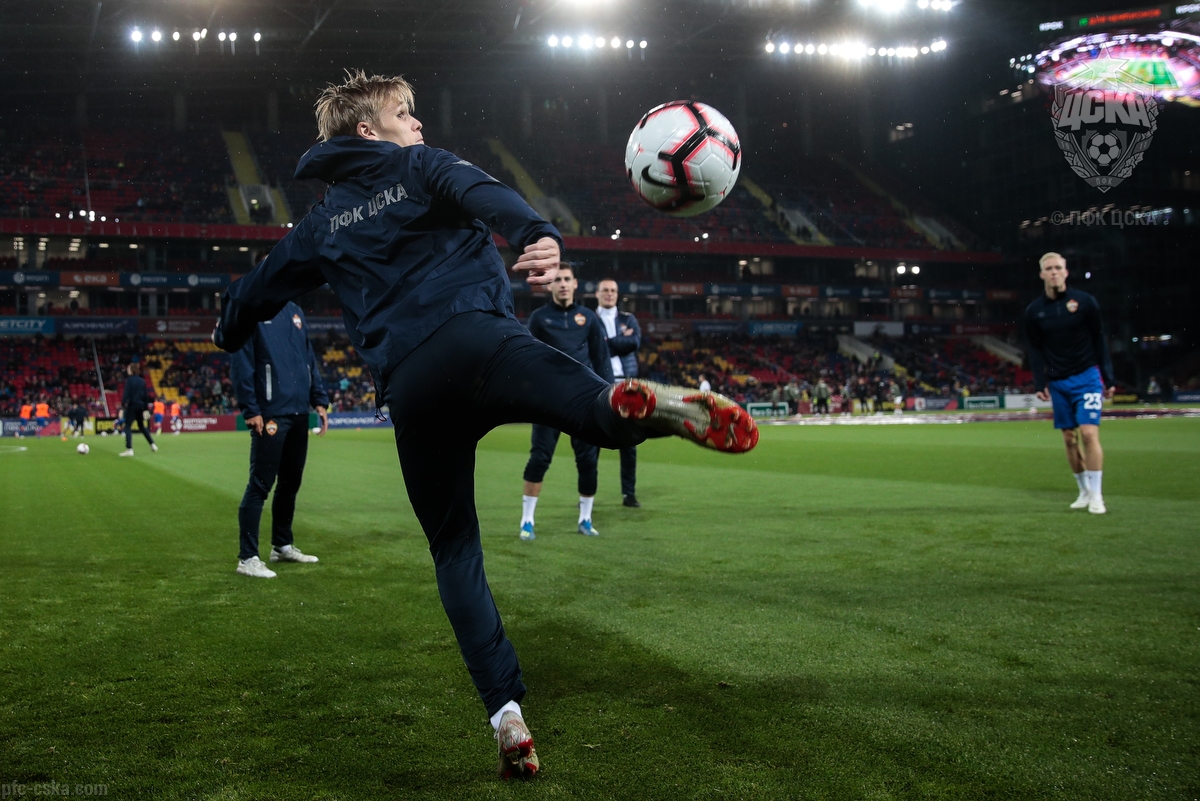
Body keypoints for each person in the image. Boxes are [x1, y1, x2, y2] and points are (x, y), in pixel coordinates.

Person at [211, 70, 757, 780]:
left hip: (413, 388)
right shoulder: (419, 165)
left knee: (454, 549)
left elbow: (253, 293)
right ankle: (640, 406)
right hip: (481, 341)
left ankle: (505, 713)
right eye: (405, 114)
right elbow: (486, 193)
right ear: (369, 131)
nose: (418, 125)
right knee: (592, 410)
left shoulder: (318, 227)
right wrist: (538, 234)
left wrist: (227, 330)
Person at [231, 301, 330, 579]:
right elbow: (241, 361)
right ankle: (247, 558)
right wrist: (251, 408)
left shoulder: (296, 311)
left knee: (290, 483)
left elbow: (308, 359)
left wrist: (319, 400)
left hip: (299, 411)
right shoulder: (251, 309)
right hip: (271, 412)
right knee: (260, 484)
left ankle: (282, 546)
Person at [520, 267, 612, 539]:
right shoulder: (539, 318)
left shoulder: (589, 318)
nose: (562, 284)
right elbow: (528, 358)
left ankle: (585, 519)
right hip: (548, 401)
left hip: (584, 401)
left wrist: (608, 396)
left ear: (575, 284)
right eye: (557, 280)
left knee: (587, 460)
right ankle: (527, 521)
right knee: (539, 457)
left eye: (566, 279)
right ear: (550, 286)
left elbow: (601, 359)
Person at [1024, 252, 1115, 514]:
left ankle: (1097, 495)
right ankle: (1084, 491)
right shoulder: (1034, 311)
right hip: (1058, 382)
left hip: (1087, 376)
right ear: (1041, 274)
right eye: (1049, 269)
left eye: (1058, 268)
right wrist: (1040, 382)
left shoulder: (1085, 302)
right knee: (1069, 439)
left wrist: (1108, 377)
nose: (1054, 272)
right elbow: (1035, 350)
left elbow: (1099, 340)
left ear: (1066, 272)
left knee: (1088, 433)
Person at [595, 278, 643, 508]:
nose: (609, 294)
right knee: (590, 442)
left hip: (626, 385)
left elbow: (634, 342)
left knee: (629, 443)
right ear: (597, 293)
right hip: (598, 383)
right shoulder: (589, 319)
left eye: (613, 290)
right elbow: (591, 346)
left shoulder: (628, 318)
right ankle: (587, 495)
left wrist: (606, 343)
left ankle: (629, 494)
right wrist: (619, 342)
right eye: (605, 290)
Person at [118, 364, 157, 456]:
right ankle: (152, 444)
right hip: (141, 406)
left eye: (128, 369)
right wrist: (146, 409)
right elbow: (145, 395)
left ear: (131, 370)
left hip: (132, 405)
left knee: (127, 426)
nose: (127, 370)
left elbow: (126, 394)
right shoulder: (142, 381)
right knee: (141, 426)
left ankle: (129, 449)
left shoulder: (129, 380)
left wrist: (122, 406)